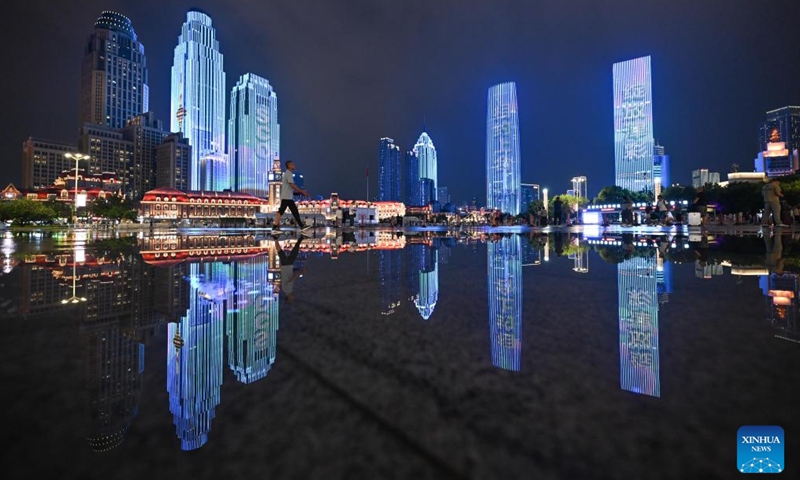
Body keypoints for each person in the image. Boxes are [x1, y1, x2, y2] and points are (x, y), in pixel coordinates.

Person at [273, 160, 310, 232]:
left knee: (294, 211)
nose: (294, 165)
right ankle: (275, 226)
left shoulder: (288, 173)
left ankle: (301, 226)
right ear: (289, 165)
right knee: (281, 211)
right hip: (287, 197)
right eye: (292, 164)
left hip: (288, 197)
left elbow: (291, 187)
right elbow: (292, 185)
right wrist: (302, 191)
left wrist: (299, 192)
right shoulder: (289, 173)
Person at [274, 236, 306, 303]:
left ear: (289, 298)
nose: (294, 297)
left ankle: (300, 238)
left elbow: (292, 278)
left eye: (292, 299)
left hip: (287, 265)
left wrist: (301, 272)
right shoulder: (285, 290)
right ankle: (275, 239)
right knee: (281, 252)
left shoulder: (288, 290)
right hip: (286, 266)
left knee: (292, 252)